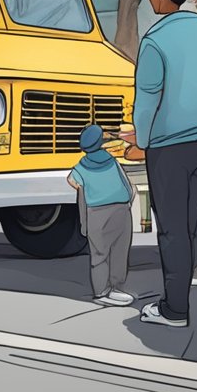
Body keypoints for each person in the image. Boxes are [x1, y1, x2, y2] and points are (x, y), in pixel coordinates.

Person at [126, 0, 197, 329]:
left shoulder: (155, 40)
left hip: (170, 147)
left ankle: (175, 309)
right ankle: (183, 289)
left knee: (171, 229)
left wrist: (142, 140)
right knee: (194, 223)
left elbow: (147, 100)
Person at [69, 124, 135, 307]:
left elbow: (74, 184)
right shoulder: (112, 161)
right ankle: (116, 287)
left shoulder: (80, 168)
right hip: (121, 209)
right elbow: (127, 185)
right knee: (119, 251)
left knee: (99, 254)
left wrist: (84, 222)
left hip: (96, 213)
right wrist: (128, 201)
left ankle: (101, 291)